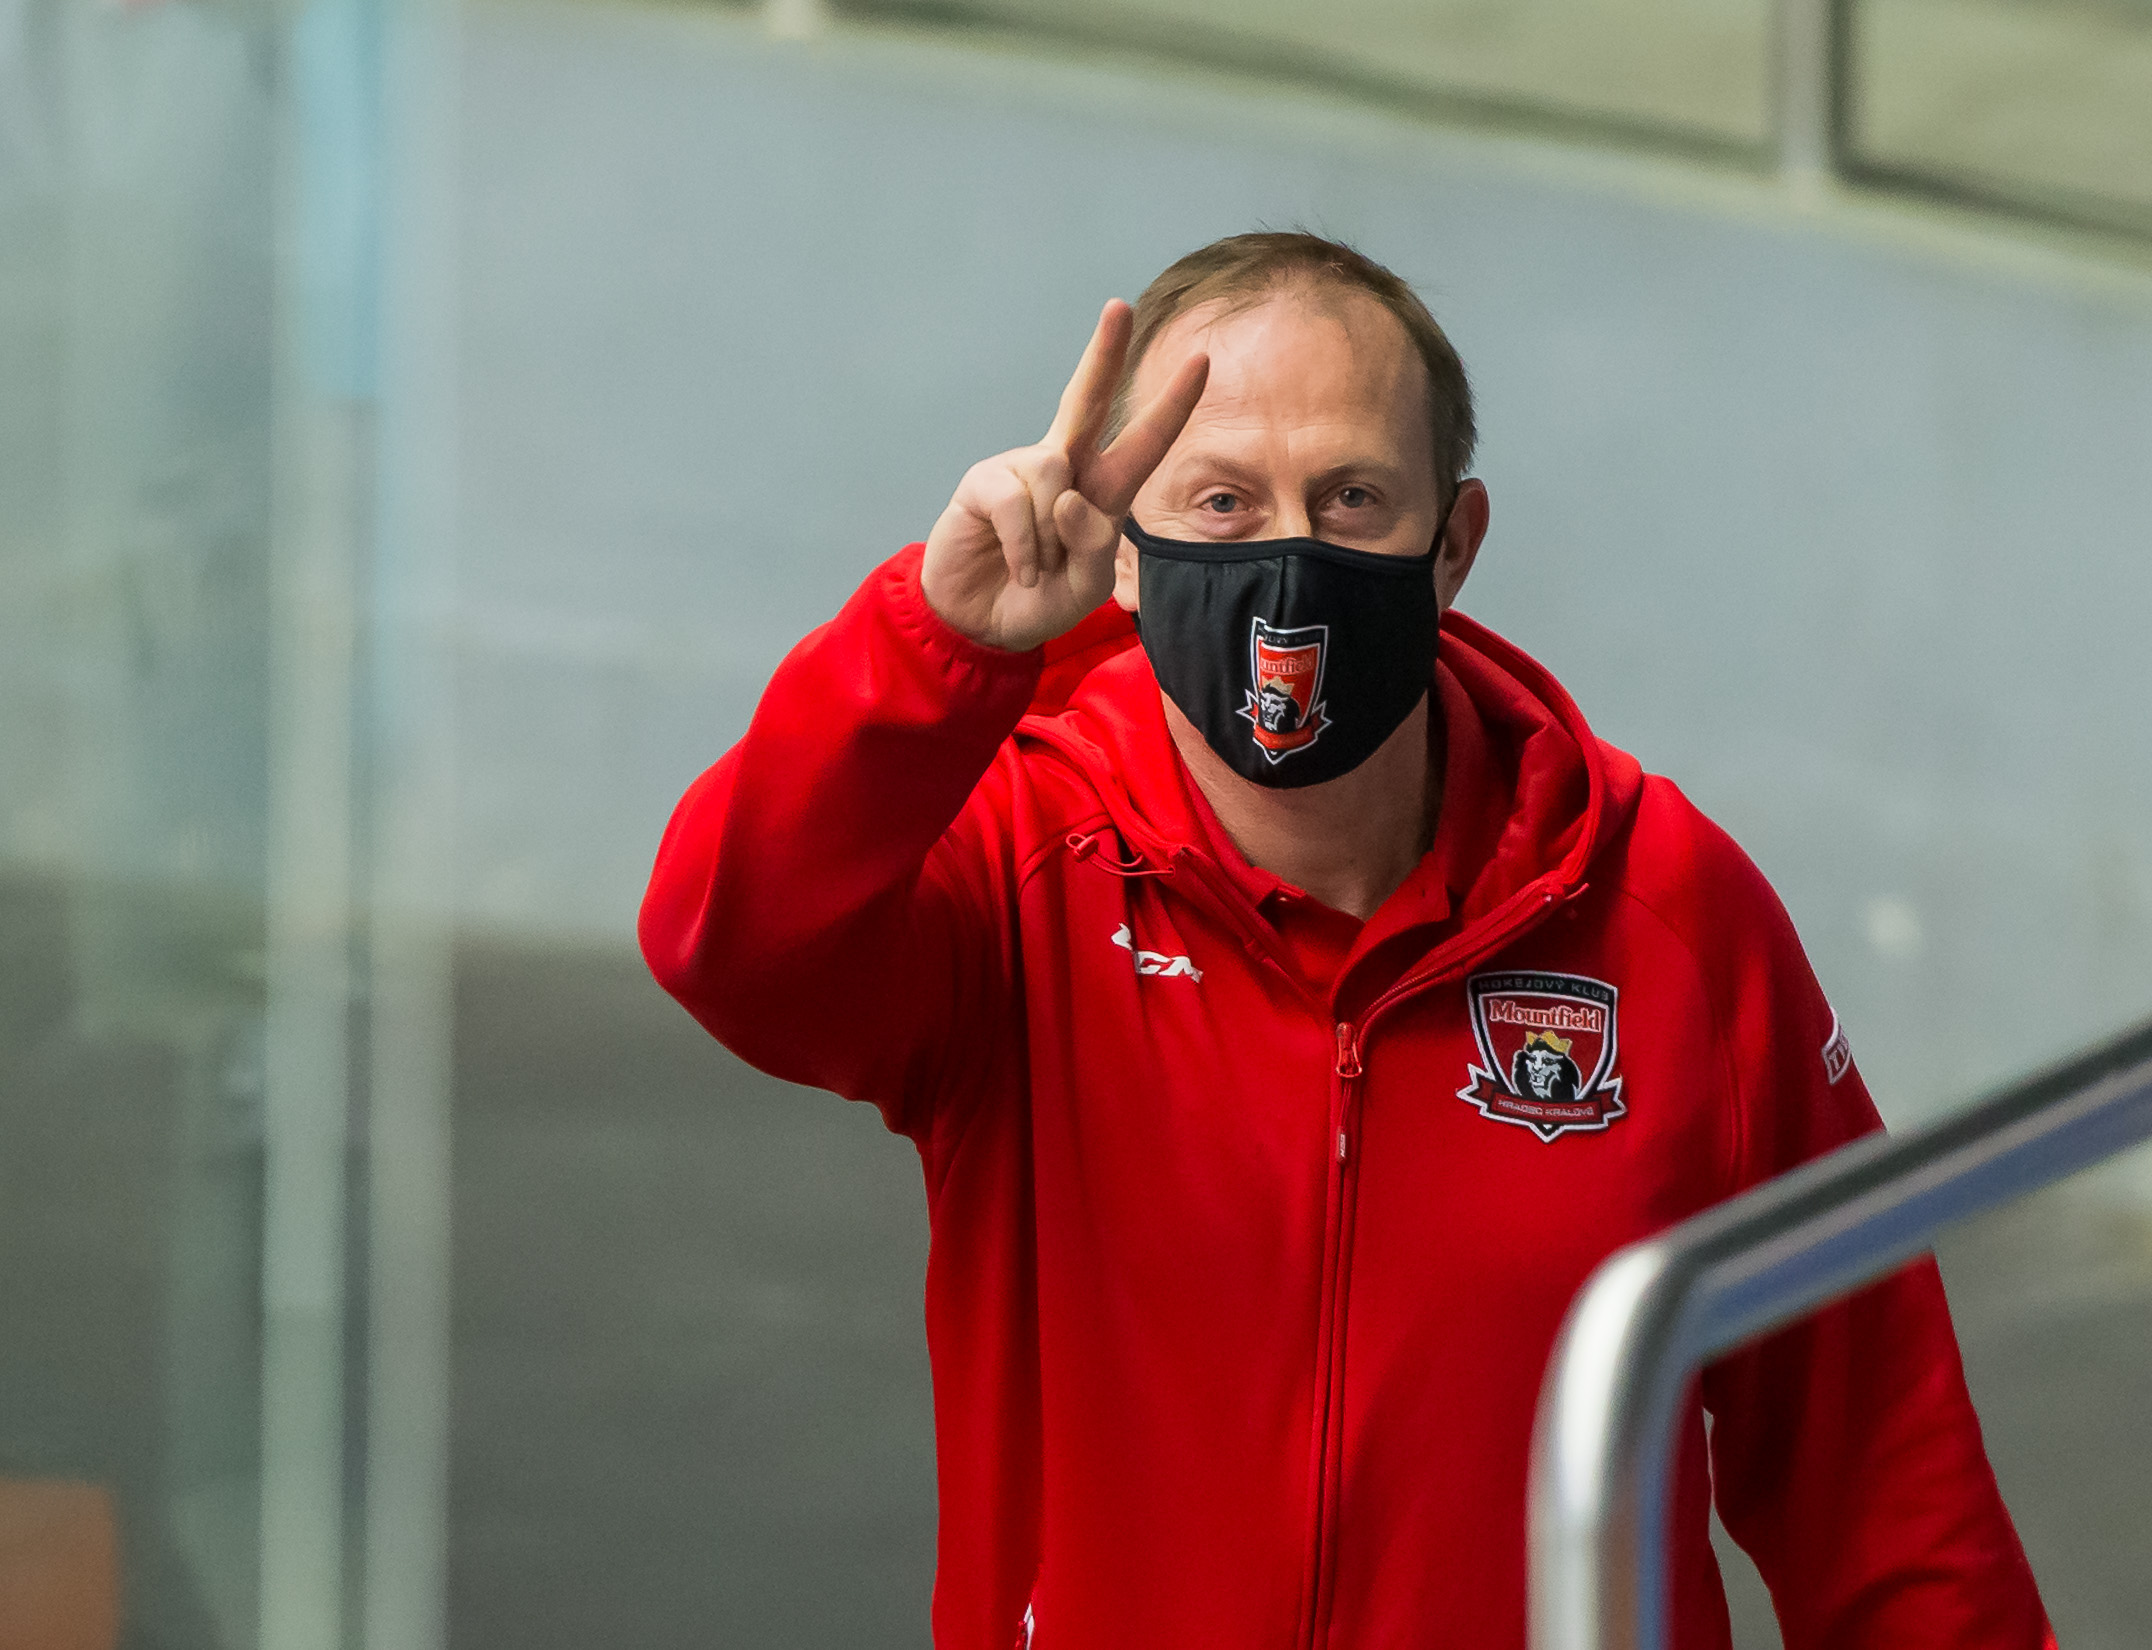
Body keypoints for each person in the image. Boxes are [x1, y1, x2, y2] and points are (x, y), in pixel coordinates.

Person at [639, 233, 2050, 1650]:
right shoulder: (1017, 869)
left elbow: (1886, 1482)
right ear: (1122, 548)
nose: (1287, 559)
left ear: (1454, 547)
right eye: (1222, 500)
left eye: (1352, 499)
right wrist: (936, 641)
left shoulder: (1667, 912)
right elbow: (732, 944)